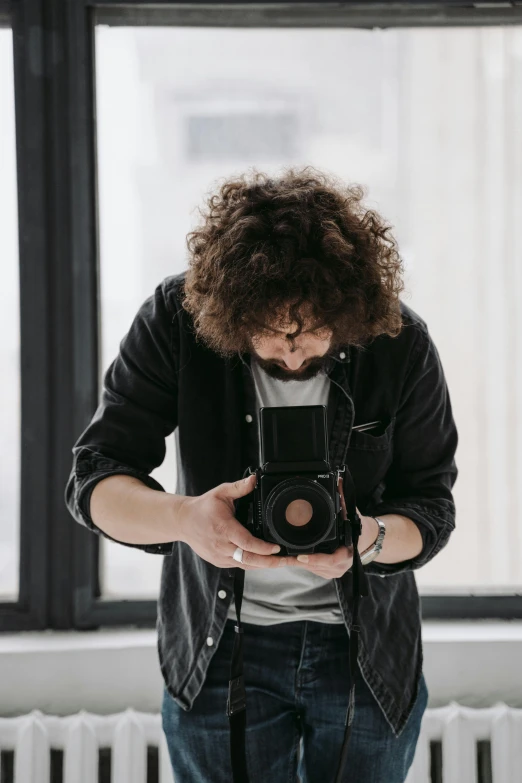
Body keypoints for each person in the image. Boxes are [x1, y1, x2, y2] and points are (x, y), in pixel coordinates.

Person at [65, 166, 458, 783]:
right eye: (270, 337)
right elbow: (94, 480)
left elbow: (432, 505)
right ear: (228, 315)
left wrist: (368, 541)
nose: (293, 354)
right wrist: (187, 521)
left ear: (348, 310)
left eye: (312, 333)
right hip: (219, 646)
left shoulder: (398, 341)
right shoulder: (176, 319)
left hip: (366, 653)